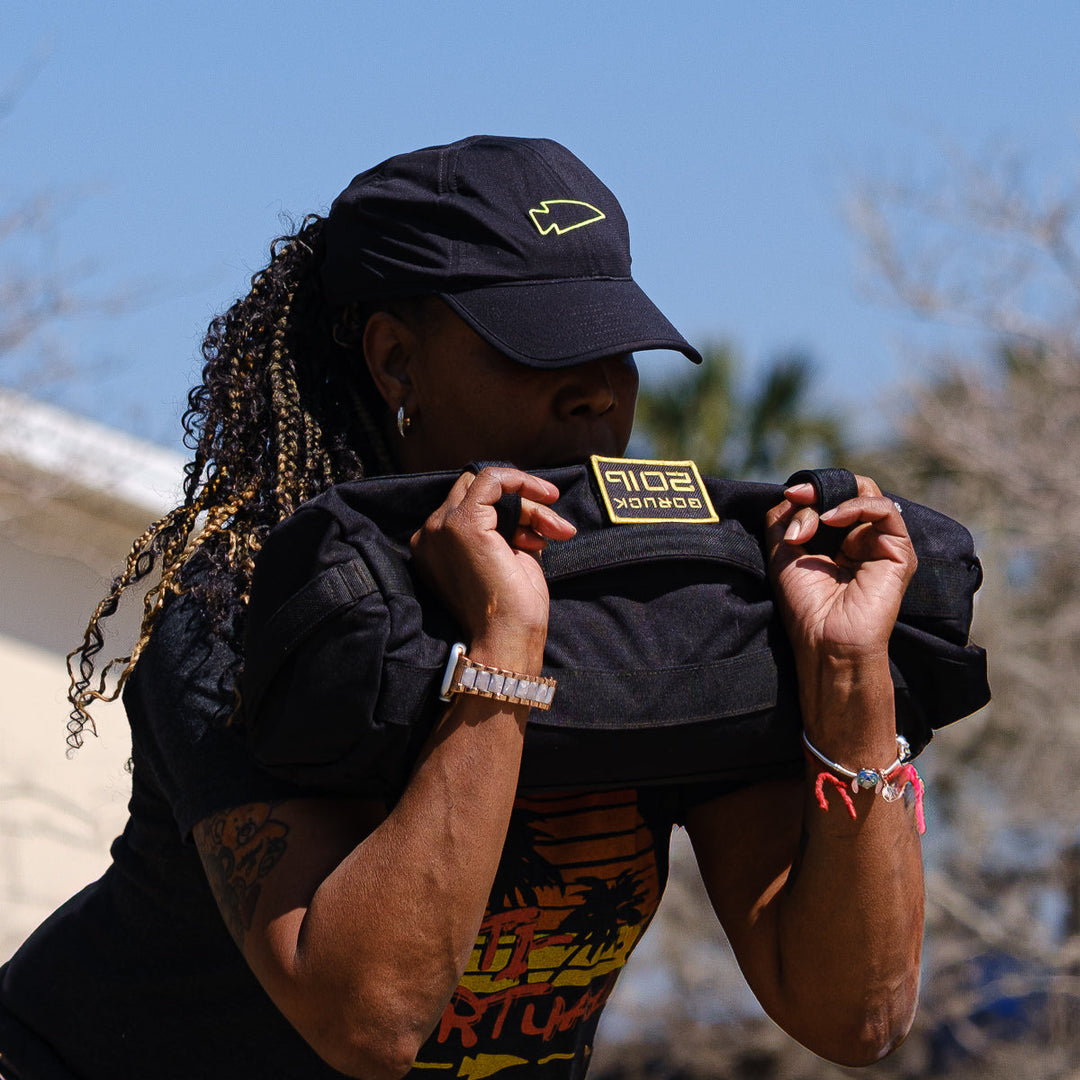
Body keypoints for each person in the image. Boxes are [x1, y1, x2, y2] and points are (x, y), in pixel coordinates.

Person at [0, 135, 923, 1080]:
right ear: (397, 362)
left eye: (618, 347)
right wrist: (503, 652)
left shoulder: (661, 620)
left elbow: (856, 1015)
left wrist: (849, 676)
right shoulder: (243, 614)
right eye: (546, 348)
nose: (598, 390)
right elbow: (371, 1022)